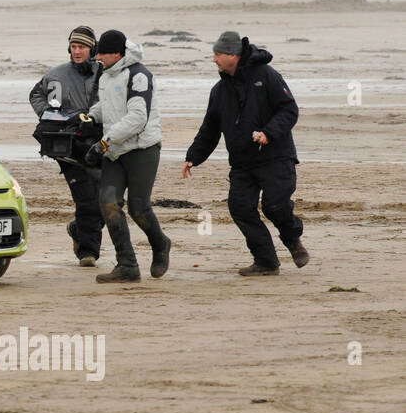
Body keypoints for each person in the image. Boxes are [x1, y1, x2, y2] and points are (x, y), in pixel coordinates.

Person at [182, 31, 308, 276]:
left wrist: (269, 133)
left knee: (274, 206)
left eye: (217, 55)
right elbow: (210, 128)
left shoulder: (267, 76)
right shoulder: (218, 90)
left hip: (276, 157)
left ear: (233, 55)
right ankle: (266, 261)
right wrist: (193, 157)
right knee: (239, 208)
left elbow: (289, 110)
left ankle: (292, 239)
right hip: (242, 163)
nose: (214, 60)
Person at [86, 30, 171, 283]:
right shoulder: (106, 74)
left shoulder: (139, 76)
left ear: (117, 53)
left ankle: (160, 244)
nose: (97, 57)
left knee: (139, 208)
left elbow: (137, 118)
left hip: (141, 150)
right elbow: (108, 105)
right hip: (115, 151)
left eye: (102, 53)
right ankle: (127, 265)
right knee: (108, 202)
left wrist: (104, 142)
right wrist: (91, 116)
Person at [29, 25, 103, 266]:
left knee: (109, 201)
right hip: (69, 146)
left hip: (100, 144)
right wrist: (49, 116)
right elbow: (36, 95)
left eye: (81, 47)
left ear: (92, 49)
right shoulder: (56, 75)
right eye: (73, 47)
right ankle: (88, 252)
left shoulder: (107, 73)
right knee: (87, 200)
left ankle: (78, 229)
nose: (77, 51)